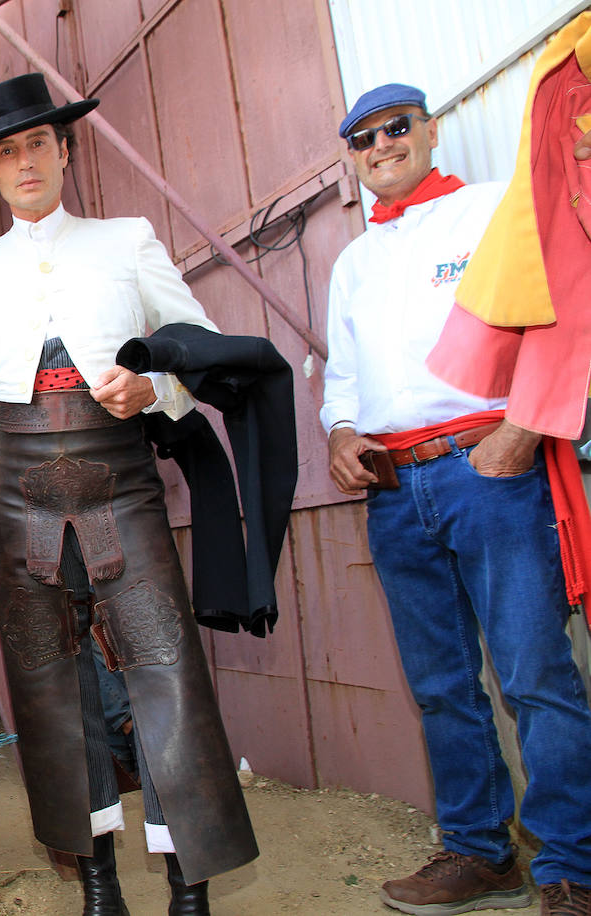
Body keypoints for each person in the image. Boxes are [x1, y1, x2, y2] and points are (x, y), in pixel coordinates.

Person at [0, 73, 256, 916]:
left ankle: (191, 889)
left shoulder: (128, 240)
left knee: (166, 670)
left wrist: (155, 393)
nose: (25, 161)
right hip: (17, 496)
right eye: (8, 151)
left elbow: (205, 353)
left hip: (121, 480)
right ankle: (100, 888)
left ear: (65, 150)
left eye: (39, 142)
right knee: (49, 688)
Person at [321, 82, 591, 916]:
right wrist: (338, 433)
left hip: (492, 472)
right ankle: (480, 853)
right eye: (364, 139)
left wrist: (520, 430)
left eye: (397, 128)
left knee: (533, 674)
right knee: (441, 684)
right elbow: (341, 378)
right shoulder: (353, 261)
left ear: (431, 131)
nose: (382, 146)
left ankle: (573, 866)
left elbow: (562, 322)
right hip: (397, 492)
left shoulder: (493, 215)